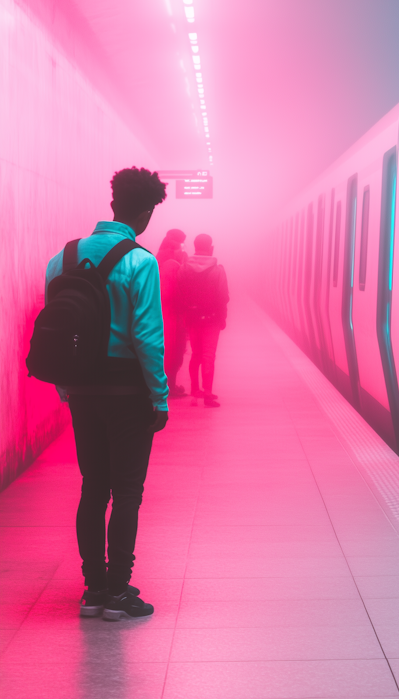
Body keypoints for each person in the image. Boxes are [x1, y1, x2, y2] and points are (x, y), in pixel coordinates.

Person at [45, 167, 169, 620]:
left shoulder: (63, 257)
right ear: (143, 211)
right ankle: (119, 590)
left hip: (82, 389)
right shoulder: (141, 261)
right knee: (128, 491)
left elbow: (56, 329)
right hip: (128, 392)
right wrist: (159, 398)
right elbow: (147, 337)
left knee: (93, 487)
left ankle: (93, 589)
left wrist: (65, 386)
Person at [178, 234, 229, 408]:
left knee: (196, 354)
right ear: (210, 247)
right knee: (209, 355)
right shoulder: (218, 270)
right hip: (212, 319)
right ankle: (207, 393)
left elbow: (180, 294)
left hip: (192, 319)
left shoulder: (185, 268)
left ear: (194, 246)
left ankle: (194, 390)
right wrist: (223, 317)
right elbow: (224, 297)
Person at [156, 233, 188, 397]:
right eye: (181, 246)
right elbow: (169, 292)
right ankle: (170, 388)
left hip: (158, 314)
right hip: (170, 316)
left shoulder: (157, 260)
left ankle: (165, 386)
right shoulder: (172, 265)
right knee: (173, 351)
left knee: (162, 352)